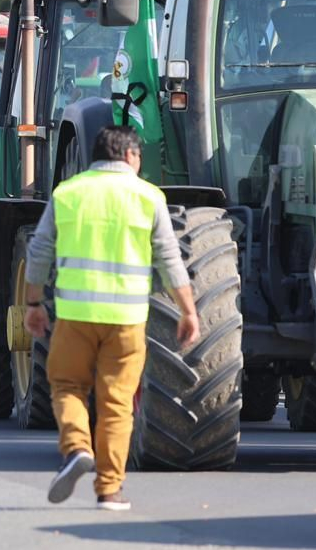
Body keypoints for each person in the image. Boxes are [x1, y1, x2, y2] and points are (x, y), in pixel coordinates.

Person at [23, 125, 199, 511]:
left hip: (73, 317)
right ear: (132, 156)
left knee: (67, 386)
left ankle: (76, 448)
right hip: (127, 320)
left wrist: (33, 305)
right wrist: (187, 310)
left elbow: (38, 252)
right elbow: (170, 259)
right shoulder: (149, 196)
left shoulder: (67, 193)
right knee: (117, 403)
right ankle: (109, 490)